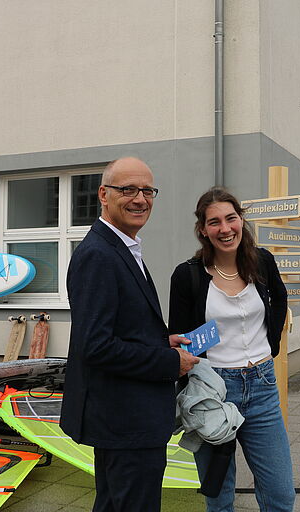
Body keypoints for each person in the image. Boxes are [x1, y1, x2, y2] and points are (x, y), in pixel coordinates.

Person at [61, 157, 199, 512]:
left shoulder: (121, 247)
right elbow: (96, 346)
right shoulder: (100, 255)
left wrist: (161, 340)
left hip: (125, 418)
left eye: (147, 190)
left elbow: (118, 328)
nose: (140, 199)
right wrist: (169, 361)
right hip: (125, 420)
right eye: (128, 190)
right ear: (103, 195)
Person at [168, 187, 294, 512]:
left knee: (280, 495)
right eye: (214, 222)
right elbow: (179, 336)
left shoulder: (262, 262)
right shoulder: (188, 276)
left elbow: (279, 298)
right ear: (202, 230)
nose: (225, 229)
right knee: (219, 498)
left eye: (231, 218)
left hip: (263, 386)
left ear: (241, 220)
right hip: (213, 392)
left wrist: (272, 342)